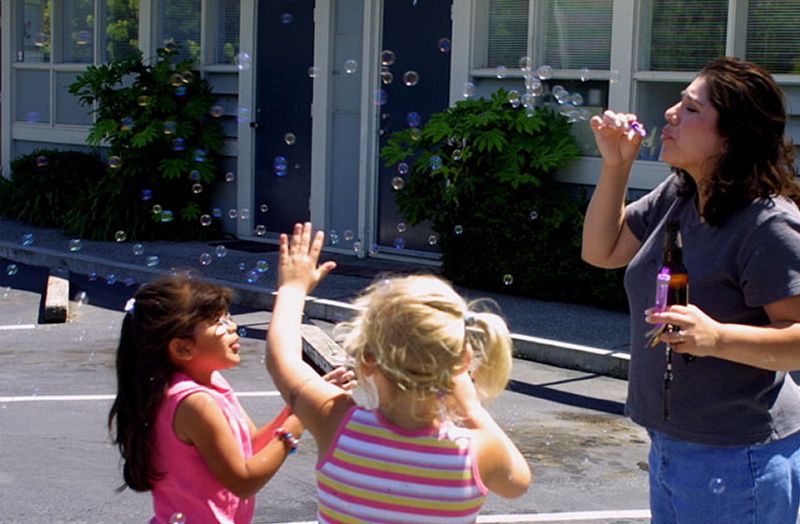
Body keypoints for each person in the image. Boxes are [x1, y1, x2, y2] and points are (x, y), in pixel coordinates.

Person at [582, 56, 800, 523]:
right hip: (673, 442)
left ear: (732, 135)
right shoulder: (680, 194)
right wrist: (616, 166)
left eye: (692, 108)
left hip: (738, 457)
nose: (670, 113)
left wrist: (718, 338)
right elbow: (602, 251)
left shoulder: (767, 224)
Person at [266, 222, 531, 523]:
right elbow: (519, 482)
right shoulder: (480, 452)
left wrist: (292, 288)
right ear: (462, 361)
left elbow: (282, 358)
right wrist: (470, 407)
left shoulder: (336, 422)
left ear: (367, 358)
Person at [108, 273, 354, 523]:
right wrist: (303, 414)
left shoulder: (210, 384)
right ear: (182, 347)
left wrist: (301, 403)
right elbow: (243, 482)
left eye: (227, 317)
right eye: (217, 321)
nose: (232, 326)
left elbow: (252, 445)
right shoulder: (194, 402)